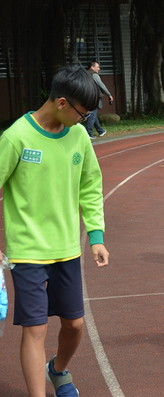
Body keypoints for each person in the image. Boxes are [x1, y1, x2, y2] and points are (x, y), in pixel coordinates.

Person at [0, 65, 109, 397]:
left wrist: (96, 236)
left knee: (74, 325)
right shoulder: (16, 137)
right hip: (27, 250)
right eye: (83, 113)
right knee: (35, 330)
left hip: (67, 248)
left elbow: (90, 186)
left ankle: (58, 369)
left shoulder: (78, 137)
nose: (85, 120)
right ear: (62, 103)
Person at [86, 60, 113, 139]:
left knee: (93, 114)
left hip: (87, 96)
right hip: (95, 97)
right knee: (92, 114)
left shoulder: (85, 74)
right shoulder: (94, 75)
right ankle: (88, 133)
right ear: (92, 67)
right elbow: (102, 86)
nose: (99, 69)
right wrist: (109, 95)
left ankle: (100, 130)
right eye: (97, 67)